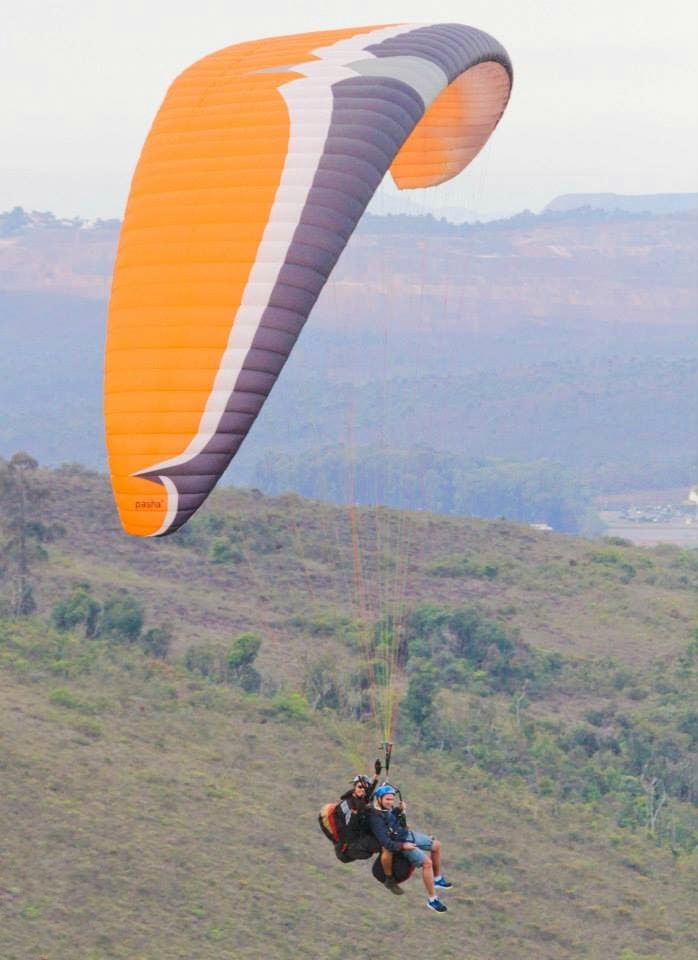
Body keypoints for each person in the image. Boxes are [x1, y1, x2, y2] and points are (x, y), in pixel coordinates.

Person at [369, 784, 452, 912]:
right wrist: (403, 846)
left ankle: (437, 879)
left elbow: (391, 819)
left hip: (406, 834)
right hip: (400, 842)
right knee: (427, 863)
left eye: (392, 799)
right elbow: (385, 842)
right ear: (379, 799)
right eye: (387, 799)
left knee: (436, 845)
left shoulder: (387, 809)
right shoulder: (375, 818)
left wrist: (398, 810)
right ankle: (432, 899)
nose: (390, 802)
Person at [338, 775, 402, 895]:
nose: (362, 789)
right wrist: (356, 813)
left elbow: (379, 813)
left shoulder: (365, 803)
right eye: (359, 787)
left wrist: (397, 811)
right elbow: (349, 828)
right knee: (387, 845)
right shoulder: (346, 804)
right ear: (354, 788)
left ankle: (392, 870)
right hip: (351, 846)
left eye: (364, 788)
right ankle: (389, 879)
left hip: (363, 839)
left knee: (390, 837)